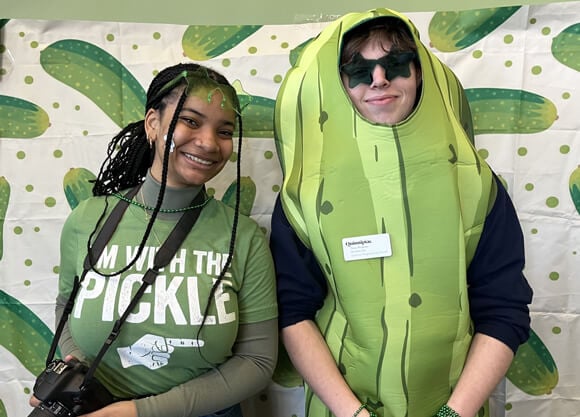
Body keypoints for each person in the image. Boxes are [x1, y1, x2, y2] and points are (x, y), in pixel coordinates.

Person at [270, 8, 533, 417]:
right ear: (338, 82)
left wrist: (453, 413)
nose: (378, 80)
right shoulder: (304, 192)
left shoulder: (475, 184)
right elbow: (293, 310)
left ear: (420, 72)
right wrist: (352, 413)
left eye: (395, 64)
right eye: (359, 69)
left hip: (455, 406)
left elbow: (503, 308)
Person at [29, 63, 278, 417]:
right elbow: (66, 306)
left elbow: (256, 362)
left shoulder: (245, 237)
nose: (208, 142)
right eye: (190, 121)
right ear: (153, 123)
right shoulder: (88, 218)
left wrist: (137, 412)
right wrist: (72, 381)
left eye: (224, 131)